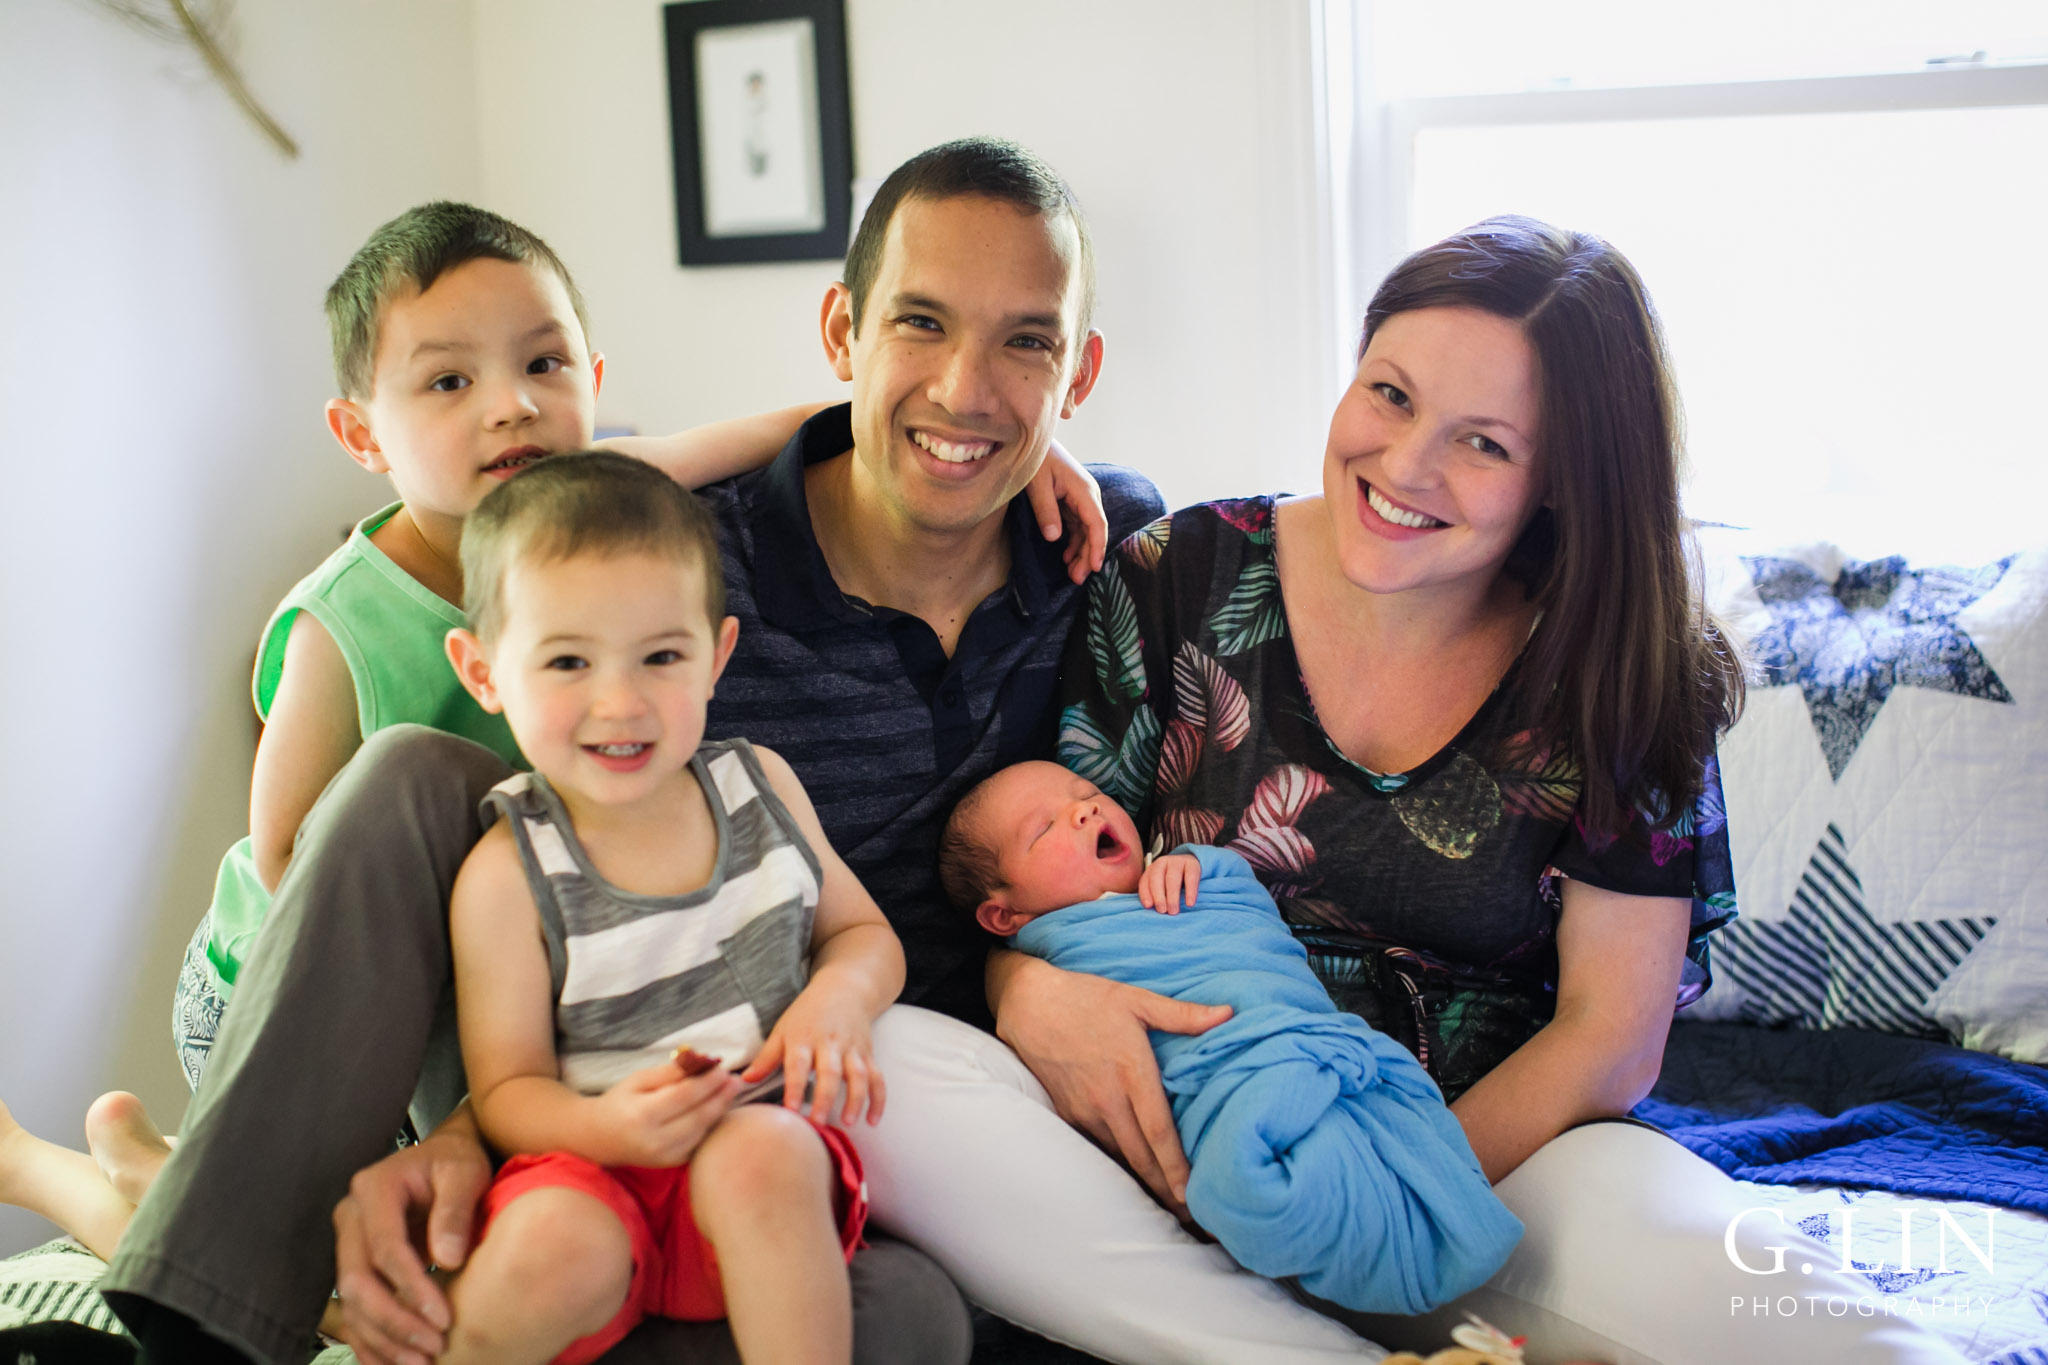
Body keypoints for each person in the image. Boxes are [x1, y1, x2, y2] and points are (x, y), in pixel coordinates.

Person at [92, 137, 1161, 1365]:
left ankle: (258, 1246)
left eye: (1024, 344)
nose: (966, 387)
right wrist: (453, 1137)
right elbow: (497, 561)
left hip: (807, 1100)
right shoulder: (658, 568)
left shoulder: (1113, 549)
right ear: (842, 334)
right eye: (918, 324)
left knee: (912, 1323)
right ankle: (206, 1310)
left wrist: (1019, 445)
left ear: (1076, 370)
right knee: (407, 777)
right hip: (544, 1038)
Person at [845, 215, 1966, 1363]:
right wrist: (1028, 994)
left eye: (1483, 444)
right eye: (1388, 395)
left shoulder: (1626, 674)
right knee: (884, 1069)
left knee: (1819, 1330)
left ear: (1563, 482)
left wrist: (1369, 1187)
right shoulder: (1177, 575)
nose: (1406, 465)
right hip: (1169, 1136)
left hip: (1478, 1169)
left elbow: (1608, 1038)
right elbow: (1045, 872)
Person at [437, 454, 901, 1364]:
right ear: (485, 671)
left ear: (717, 656)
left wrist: (835, 998)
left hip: (754, 1164)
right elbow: (506, 1091)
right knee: (552, 1245)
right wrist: (604, 1130)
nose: (621, 701)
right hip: (587, 1163)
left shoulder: (759, 787)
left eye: (661, 656)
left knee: (760, 1157)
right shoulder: (506, 872)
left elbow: (864, 934)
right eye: (568, 659)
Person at [937, 758, 1524, 1316]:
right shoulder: (1049, 947)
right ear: (1003, 916)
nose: (1084, 812)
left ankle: (1397, 1225)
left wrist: (1192, 863)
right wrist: (1014, 977)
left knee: (1377, 1134)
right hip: (1222, 1081)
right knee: (1257, 1174)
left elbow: (1237, 901)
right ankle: (1367, 1246)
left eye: (1087, 795)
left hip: (1289, 1030)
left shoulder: (1181, 876)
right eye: (1044, 828)